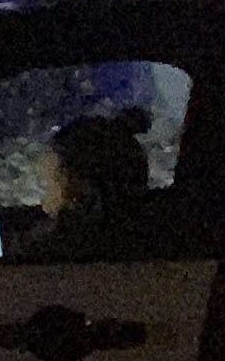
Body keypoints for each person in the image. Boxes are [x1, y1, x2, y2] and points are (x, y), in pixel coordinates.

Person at [28, 108, 156, 258]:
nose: (43, 205)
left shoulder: (50, 254)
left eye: (49, 186)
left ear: (78, 190)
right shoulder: (145, 241)